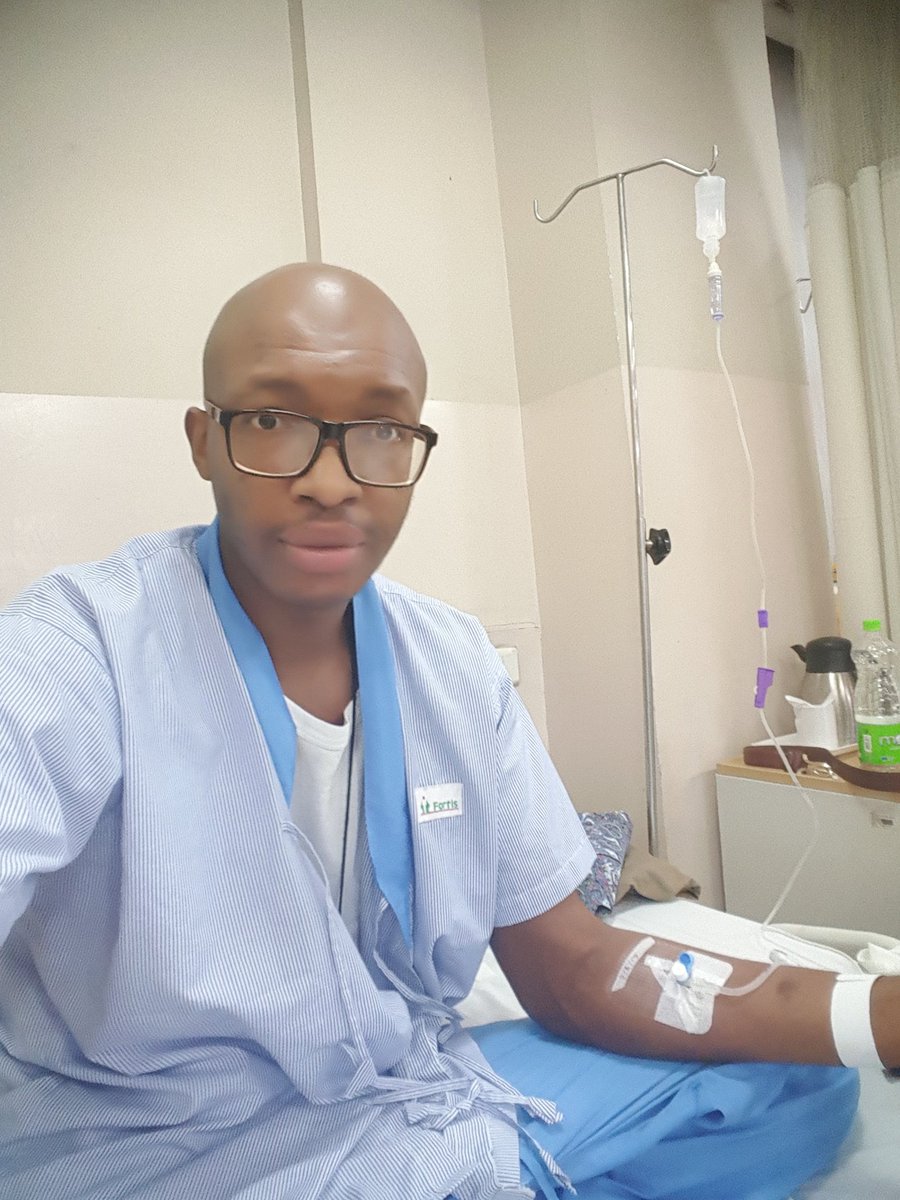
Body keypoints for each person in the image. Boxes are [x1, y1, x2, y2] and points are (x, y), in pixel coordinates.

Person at [0, 262, 887, 1200]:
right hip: (153, 1138)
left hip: (400, 1095)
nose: (331, 482)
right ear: (203, 441)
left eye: (381, 430)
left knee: (804, 1081)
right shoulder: (75, 650)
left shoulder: (452, 666)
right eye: (272, 420)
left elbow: (575, 965)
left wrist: (877, 1011)